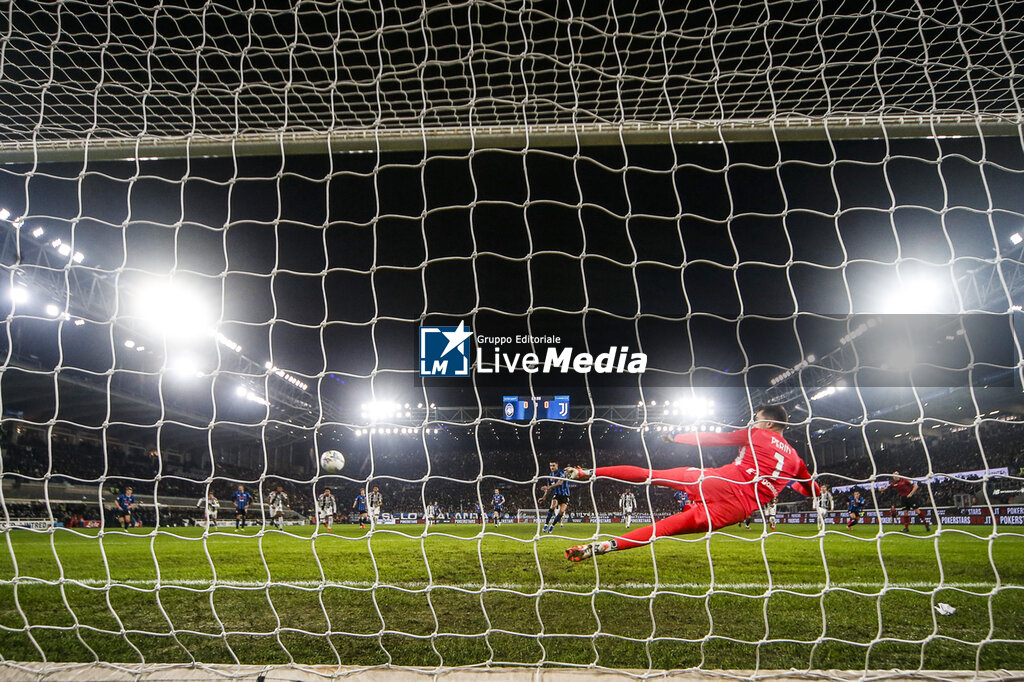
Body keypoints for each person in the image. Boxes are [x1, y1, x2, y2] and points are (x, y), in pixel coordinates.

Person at [563, 405, 820, 561]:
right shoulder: (795, 459)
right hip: (735, 511)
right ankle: (602, 547)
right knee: (660, 529)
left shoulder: (757, 433)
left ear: (769, 423)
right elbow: (811, 487)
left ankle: (587, 472)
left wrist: (677, 436)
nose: (753, 421)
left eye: (756, 418)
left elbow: (713, 438)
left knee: (650, 475)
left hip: (718, 481)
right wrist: (799, 487)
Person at [538, 461, 571, 533]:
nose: (552, 467)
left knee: (561, 512)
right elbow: (548, 489)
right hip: (557, 495)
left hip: (565, 495)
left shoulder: (561, 473)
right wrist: (544, 497)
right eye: (550, 466)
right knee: (553, 506)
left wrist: (548, 486)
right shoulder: (550, 476)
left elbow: (560, 483)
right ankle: (546, 524)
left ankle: (552, 525)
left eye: (553, 465)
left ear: (557, 466)